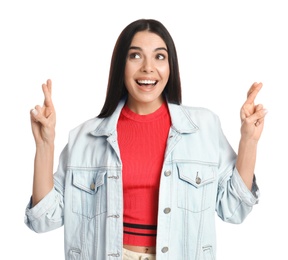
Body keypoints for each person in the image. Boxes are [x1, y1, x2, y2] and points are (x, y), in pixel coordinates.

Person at [25, 18, 267, 260]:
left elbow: (234, 209)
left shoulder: (203, 128)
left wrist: (249, 140)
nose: (148, 68)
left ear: (170, 66)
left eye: (159, 57)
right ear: (121, 65)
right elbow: (44, 220)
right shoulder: (85, 138)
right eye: (135, 56)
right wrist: (45, 144)